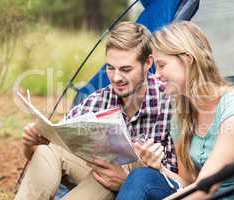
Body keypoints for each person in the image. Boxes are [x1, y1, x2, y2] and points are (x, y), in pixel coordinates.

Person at [15, 21, 177, 200]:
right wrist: (31, 145)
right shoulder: (97, 101)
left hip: (145, 187)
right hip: (100, 175)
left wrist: (128, 181)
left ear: (147, 63)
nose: (116, 78)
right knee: (50, 149)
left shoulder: (169, 102)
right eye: (110, 68)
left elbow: (180, 182)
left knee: (111, 172)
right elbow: (39, 154)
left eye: (125, 69)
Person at [116, 21, 234, 200]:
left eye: (162, 65)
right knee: (143, 176)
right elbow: (188, 183)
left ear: (188, 60)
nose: (156, 75)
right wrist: (160, 168)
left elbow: (206, 188)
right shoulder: (182, 114)